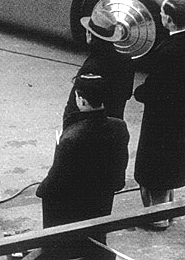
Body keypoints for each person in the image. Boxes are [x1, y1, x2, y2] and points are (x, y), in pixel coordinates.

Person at [133, 0, 185, 230]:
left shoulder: (166, 51)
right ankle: (169, 206)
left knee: (154, 165)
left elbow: (155, 87)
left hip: (161, 115)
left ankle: (157, 218)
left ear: (170, 19)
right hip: (183, 110)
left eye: (163, 13)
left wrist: (139, 93)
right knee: (173, 158)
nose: (160, 16)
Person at [37, 74, 129, 260]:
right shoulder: (119, 127)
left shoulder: (71, 137)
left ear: (82, 99)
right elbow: (119, 175)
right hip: (100, 202)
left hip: (69, 208)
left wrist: (41, 189)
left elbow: (55, 180)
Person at [65, 7, 134, 123]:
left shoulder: (91, 66)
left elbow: (76, 105)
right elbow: (126, 94)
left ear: (90, 35)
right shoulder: (127, 61)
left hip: (91, 127)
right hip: (114, 125)